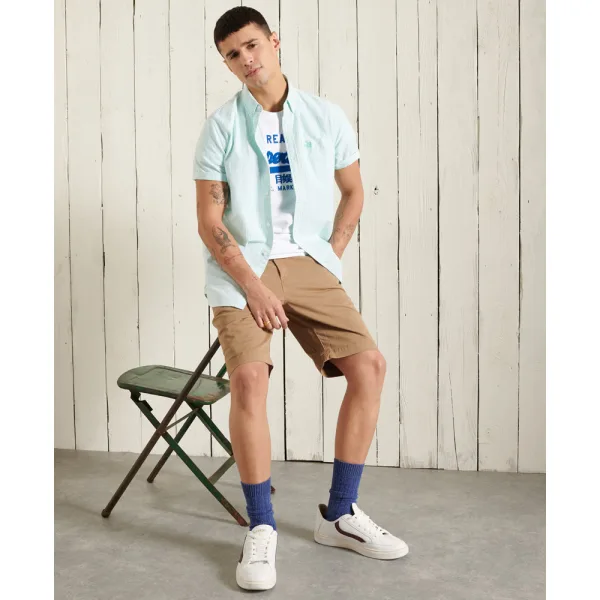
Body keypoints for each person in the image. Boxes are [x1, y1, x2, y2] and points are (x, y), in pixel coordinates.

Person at [193, 6, 408, 591]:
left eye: (252, 45)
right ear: (226, 63)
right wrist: (252, 285)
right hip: (244, 267)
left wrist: (329, 255)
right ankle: (261, 527)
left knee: (369, 366)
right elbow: (210, 221)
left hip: (309, 261)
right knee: (249, 381)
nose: (246, 60)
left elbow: (353, 190)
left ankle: (339, 515)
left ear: (274, 41)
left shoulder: (325, 116)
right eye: (233, 54)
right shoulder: (221, 127)